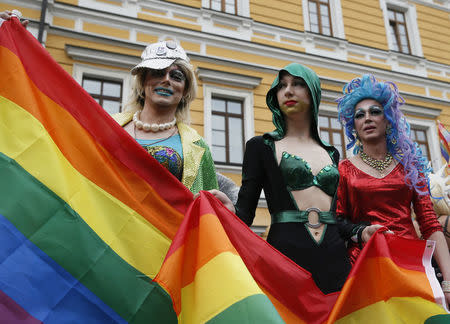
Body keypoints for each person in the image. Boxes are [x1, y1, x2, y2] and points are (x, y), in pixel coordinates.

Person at [211, 63, 380, 294]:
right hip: (285, 262)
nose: (288, 91)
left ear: (313, 92)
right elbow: (245, 215)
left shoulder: (332, 153)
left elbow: (334, 218)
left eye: (298, 84)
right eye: (282, 86)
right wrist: (229, 210)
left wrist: (360, 232)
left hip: (335, 263)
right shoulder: (260, 147)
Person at [336, 74, 450, 303]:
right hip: (365, 269)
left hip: (411, 268)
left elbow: (429, 223)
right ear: (353, 126)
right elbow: (338, 221)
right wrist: (362, 233)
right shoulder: (343, 170)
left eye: (375, 111)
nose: (367, 118)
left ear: (388, 120)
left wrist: (447, 281)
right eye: (360, 115)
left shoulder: (410, 169)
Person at [113, 40, 218, 194]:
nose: (166, 80)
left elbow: (209, 206)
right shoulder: (110, 126)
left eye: (176, 76)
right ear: (143, 81)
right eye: (158, 72)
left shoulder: (198, 146)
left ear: (184, 90)